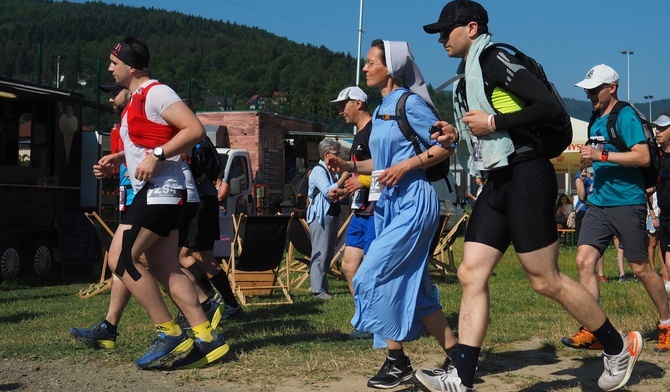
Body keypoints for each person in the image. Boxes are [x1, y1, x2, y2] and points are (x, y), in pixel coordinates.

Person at [417, 2, 642, 391]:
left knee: (545, 279)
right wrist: (456, 134)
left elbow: (546, 106)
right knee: (471, 272)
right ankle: (462, 377)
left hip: (526, 174)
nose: (440, 39)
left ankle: (619, 346)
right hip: (498, 178)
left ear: (472, 28)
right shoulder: (468, 72)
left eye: (445, 31)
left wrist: (493, 122)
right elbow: (487, 126)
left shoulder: (493, 58)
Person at [325, 39, 458, 390]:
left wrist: (407, 165)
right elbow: (381, 164)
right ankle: (458, 357)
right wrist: (349, 165)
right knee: (421, 291)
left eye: (371, 63)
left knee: (371, 273)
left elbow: (446, 145)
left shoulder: (409, 103)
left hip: (414, 200)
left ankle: (396, 360)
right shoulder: (384, 105)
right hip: (388, 204)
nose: (365, 68)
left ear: (391, 67)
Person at [93, 37, 228, 370]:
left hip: (164, 190)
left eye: (114, 62)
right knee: (166, 268)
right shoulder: (140, 98)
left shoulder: (157, 92)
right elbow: (156, 139)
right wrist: (120, 157)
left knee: (123, 259)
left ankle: (168, 331)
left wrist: (156, 156)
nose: (110, 68)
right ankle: (207, 339)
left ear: (132, 66)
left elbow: (194, 129)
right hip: (158, 190)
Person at [560, 63, 670, 355]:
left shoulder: (626, 116)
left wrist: (601, 154)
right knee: (584, 261)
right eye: (587, 91)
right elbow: (601, 155)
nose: (589, 96)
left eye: (594, 90)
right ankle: (593, 329)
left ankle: (667, 324)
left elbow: (643, 157)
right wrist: (590, 159)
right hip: (598, 202)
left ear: (612, 88)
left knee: (641, 268)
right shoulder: (596, 118)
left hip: (627, 201)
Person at [326, 86, 375, 339]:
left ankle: (378, 320)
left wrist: (362, 183)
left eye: (342, 105)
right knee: (349, 266)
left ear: (358, 103)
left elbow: (388, 169)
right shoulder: (358, 135)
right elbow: (357, 173)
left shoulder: (376, 131)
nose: (340, 111)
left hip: (378, 211)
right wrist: (343, 189)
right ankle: (364, 320)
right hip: (361, 210)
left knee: (371, 269)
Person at [306, 138, 348, 300]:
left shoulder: (332, 171)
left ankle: (323, 287)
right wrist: (344, 177)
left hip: (332, 215)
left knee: (328, 252)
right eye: (336, 154)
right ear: (326, 154)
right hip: (321, 217)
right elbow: (328, 191)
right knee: (320, 251)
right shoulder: (319, 171)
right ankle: (318, 290)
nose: (339, 158)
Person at [653, 111, 670, 295]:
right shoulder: (658, 156)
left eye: (663, 128)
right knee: (663, 250)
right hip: (663, 213)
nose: (658, 131)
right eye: (657, 127)